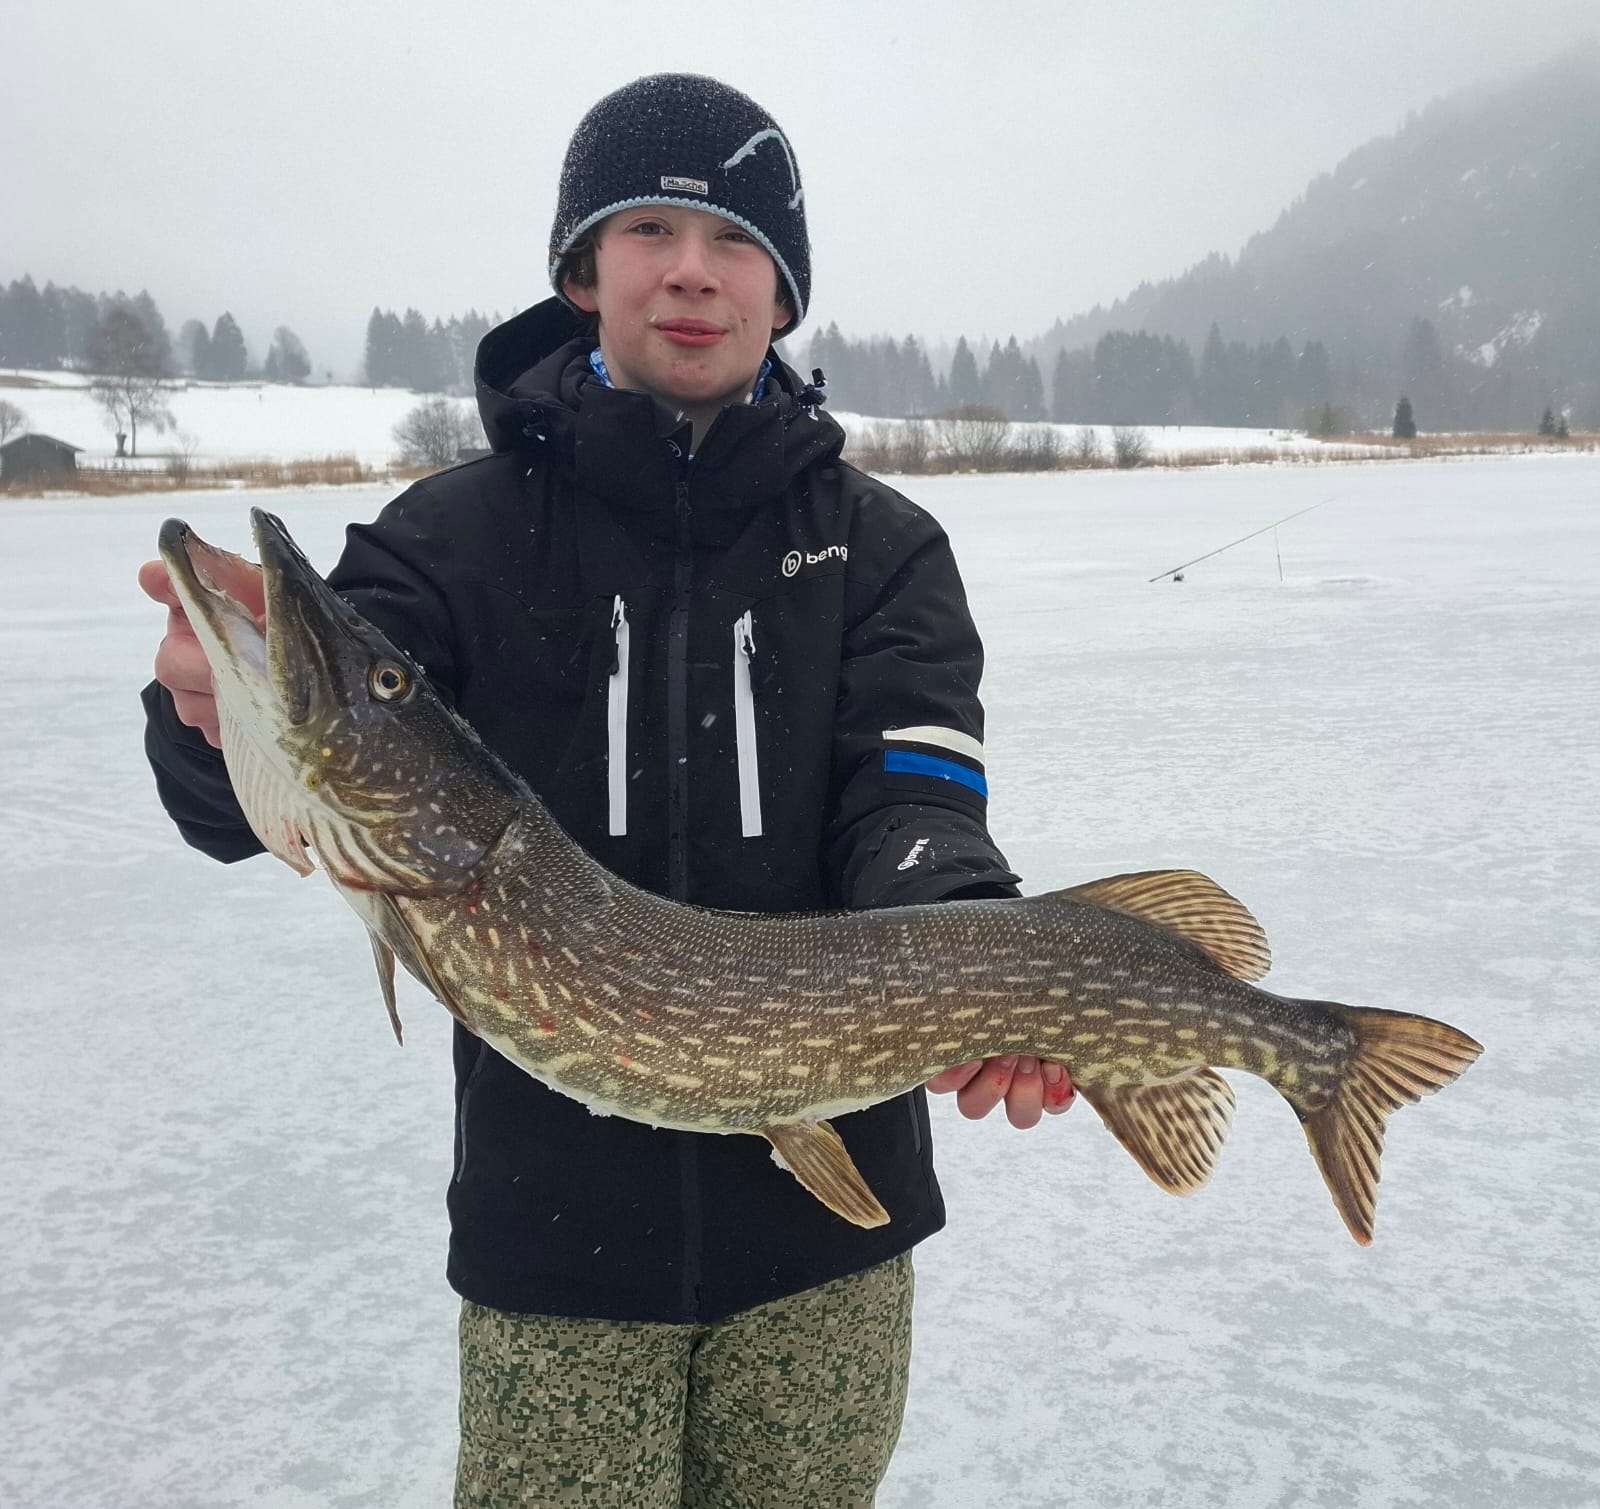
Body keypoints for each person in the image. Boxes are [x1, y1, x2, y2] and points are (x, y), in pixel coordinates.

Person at [139, 72, 1073, 1508]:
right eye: (648, 229)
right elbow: (252, 797)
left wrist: (969, 944)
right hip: (553, 1257)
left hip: (830, 1248)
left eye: (735, 240)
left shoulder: (881, 547)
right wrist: (211, 715)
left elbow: (913, 799)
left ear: (785, 289)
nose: (692, 270)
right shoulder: (446, 539)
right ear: (583, 271)